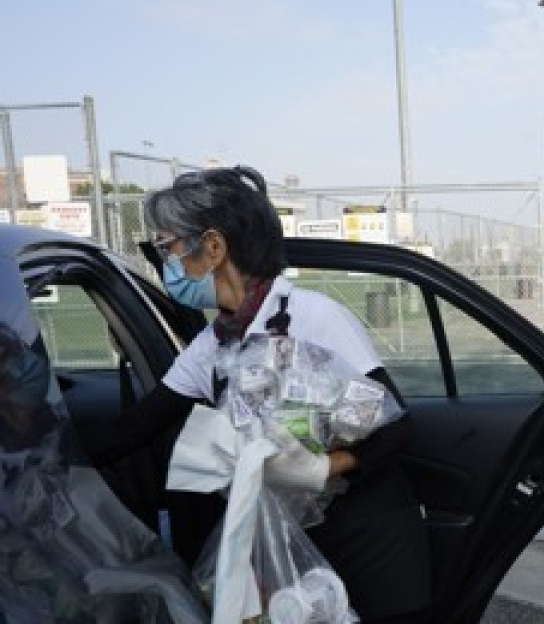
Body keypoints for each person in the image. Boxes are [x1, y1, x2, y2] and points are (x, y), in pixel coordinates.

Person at [86, 166, 431, 623]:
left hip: (365, 542)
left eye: (166, 247)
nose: (163, 263)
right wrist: (44, 461)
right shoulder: (213, 345)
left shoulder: (314, 318)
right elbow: (137, 428)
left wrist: (321, 467)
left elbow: (396, 426)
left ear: (212, 247)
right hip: (292, 549)